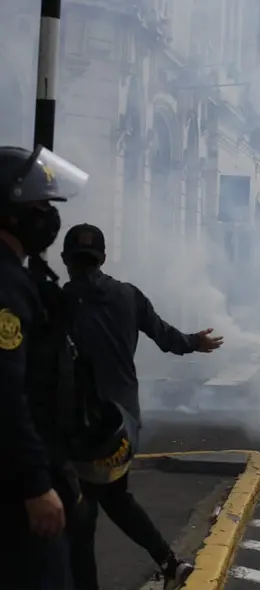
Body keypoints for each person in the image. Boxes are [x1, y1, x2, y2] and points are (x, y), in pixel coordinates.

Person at [59, 223, 225, 590]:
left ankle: (165, 564)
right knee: (115, 500)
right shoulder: (128, 295)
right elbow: (166, 336)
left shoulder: (60, 301)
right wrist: (195, 342)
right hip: (124, 423)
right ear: (104, 257)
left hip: (82, 426)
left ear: (66, 261)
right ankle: (170, 564)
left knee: (81, 522)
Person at [0, 145, 89, 589]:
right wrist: (36, 483)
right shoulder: (6, 284)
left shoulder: (21, 276)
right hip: (15, 490)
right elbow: (5, 390)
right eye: (39, 206)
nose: (48, 217)